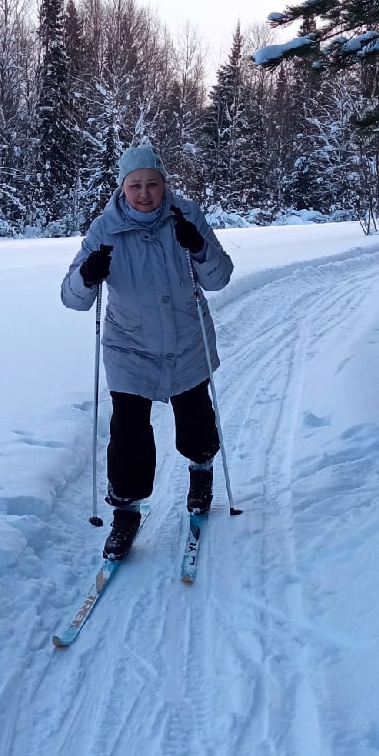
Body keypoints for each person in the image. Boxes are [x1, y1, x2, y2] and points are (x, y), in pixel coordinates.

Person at [61, 145, 234, 559]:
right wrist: (87, 275)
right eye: (135, 185)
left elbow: (220, 278)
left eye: (152, 184)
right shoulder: (105, 228)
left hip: (186, 339)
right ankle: (125, 513)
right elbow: (72, 297)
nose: (144, 193)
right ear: (122, 187)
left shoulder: (187, 215)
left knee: (195, 418)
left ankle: (201, 471)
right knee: (129, 433)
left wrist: (199, 249)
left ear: (164, 185)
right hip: (130, 346)